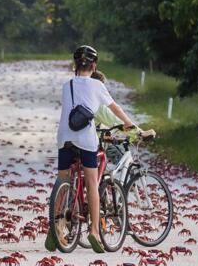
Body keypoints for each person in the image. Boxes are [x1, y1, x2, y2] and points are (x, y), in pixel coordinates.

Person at [45, 46, 153, 253]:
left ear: (74, 65)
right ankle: (94, 231)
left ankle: (55, 226)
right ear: (94, 66)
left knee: (63, 180)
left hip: (64, 138)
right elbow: (115, 109)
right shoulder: (97, 85)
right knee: (92, 183)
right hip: (86, 139)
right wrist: (130, 125)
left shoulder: (66, 85)